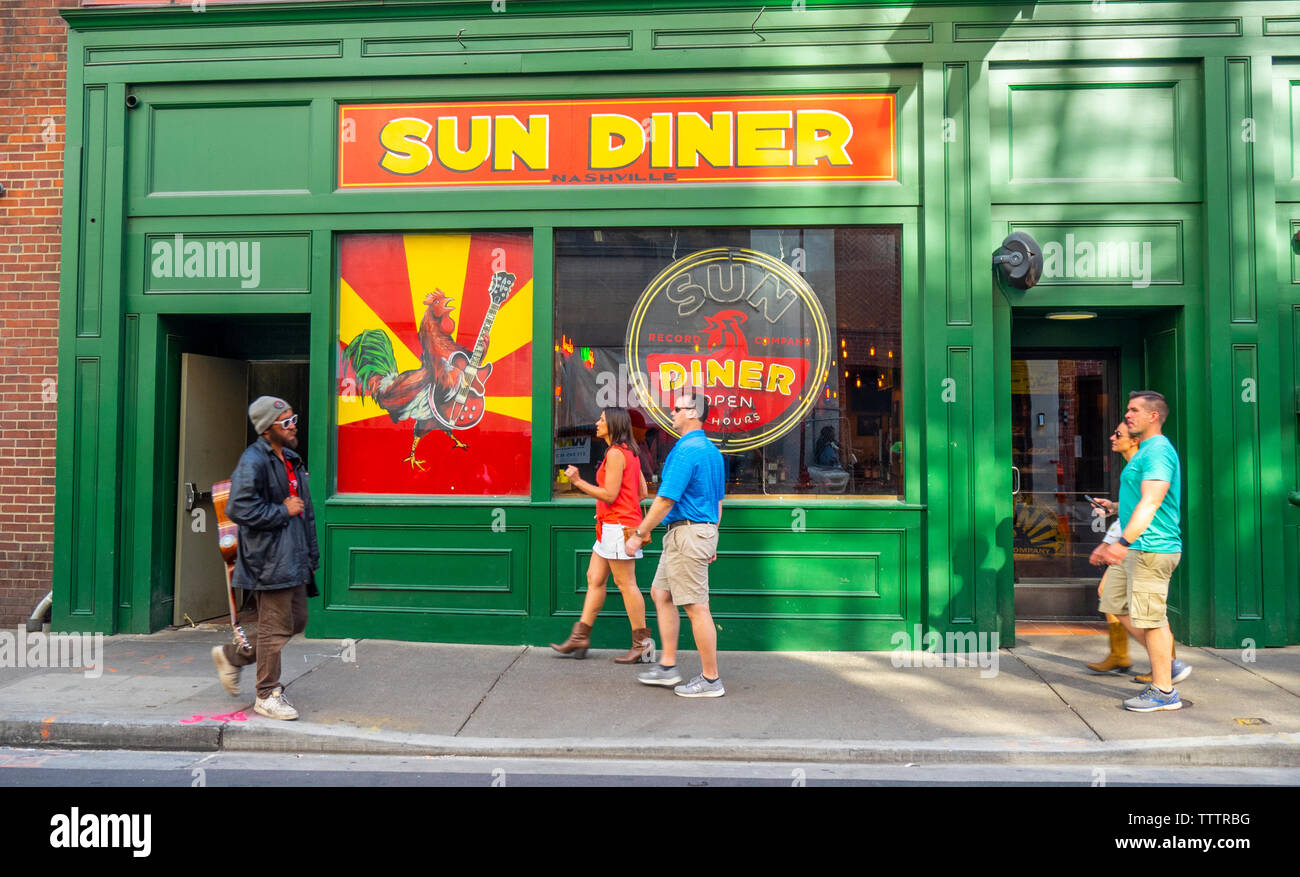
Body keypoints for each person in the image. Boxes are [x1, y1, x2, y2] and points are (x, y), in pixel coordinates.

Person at [211, 396, 319, 721]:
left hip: (293, 557)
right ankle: (267, 694)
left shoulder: (291, 460)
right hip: (268, 559)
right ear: (267, 429)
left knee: (297, 621)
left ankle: (234, 656)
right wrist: (280, 511)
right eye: (286, 422)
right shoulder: (253, 460)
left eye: (293, 418)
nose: (293, 425)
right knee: (274, 627)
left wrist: (310, 554)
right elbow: (238, 507)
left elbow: (306, 513)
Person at [625, 391, 726, 697]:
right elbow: (718, 501)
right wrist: (712, 537)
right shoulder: (711, 451)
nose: (672, 413)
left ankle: (711, 680)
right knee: (661, 592)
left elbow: (666, 499)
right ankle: (668, 666)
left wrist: (640, 533)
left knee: (696, 607)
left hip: (687, 534)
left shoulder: (685, 451)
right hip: (695, 533)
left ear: (693, 413)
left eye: (678, 408)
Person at [1099, 390, 1189, 712]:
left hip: (1151, 548)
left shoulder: (1158, 452)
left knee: (1152, 619)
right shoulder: (1145, 451)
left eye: (1134, 411)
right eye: (1127, 411)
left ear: (1154, 416)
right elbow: (1141, 499)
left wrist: (1121, 544)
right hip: (1137, 545)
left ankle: (1164, 691)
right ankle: (1167, 662)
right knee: (1113, 600)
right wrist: (1113, 506)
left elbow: (1152, 502)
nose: (1127, 416)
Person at [551, 407, 655, 663]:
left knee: (626, 584)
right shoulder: (630, 452)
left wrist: (578, 481)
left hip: (618, 528)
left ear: (614, 425)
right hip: (610, 526)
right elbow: (641, 492)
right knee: (594, 577)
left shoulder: (616, 454)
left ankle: (642, 644)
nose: (597, 423)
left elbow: (610, 494)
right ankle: (579, 638)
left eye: (602, 420)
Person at [1085, 423, 1141, 674]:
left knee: (1147, 610)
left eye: (1119, 435)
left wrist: (1108, 543)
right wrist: (1113, 507)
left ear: (1135, 440)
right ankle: (1119, 655)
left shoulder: (1141, 467)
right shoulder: (1132, 467)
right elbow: (1133, 508)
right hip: (1133, 542)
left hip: (1141, 545)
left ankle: (1169, 663)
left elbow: (1144, 512)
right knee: (1110, 594)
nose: (1112, 437)